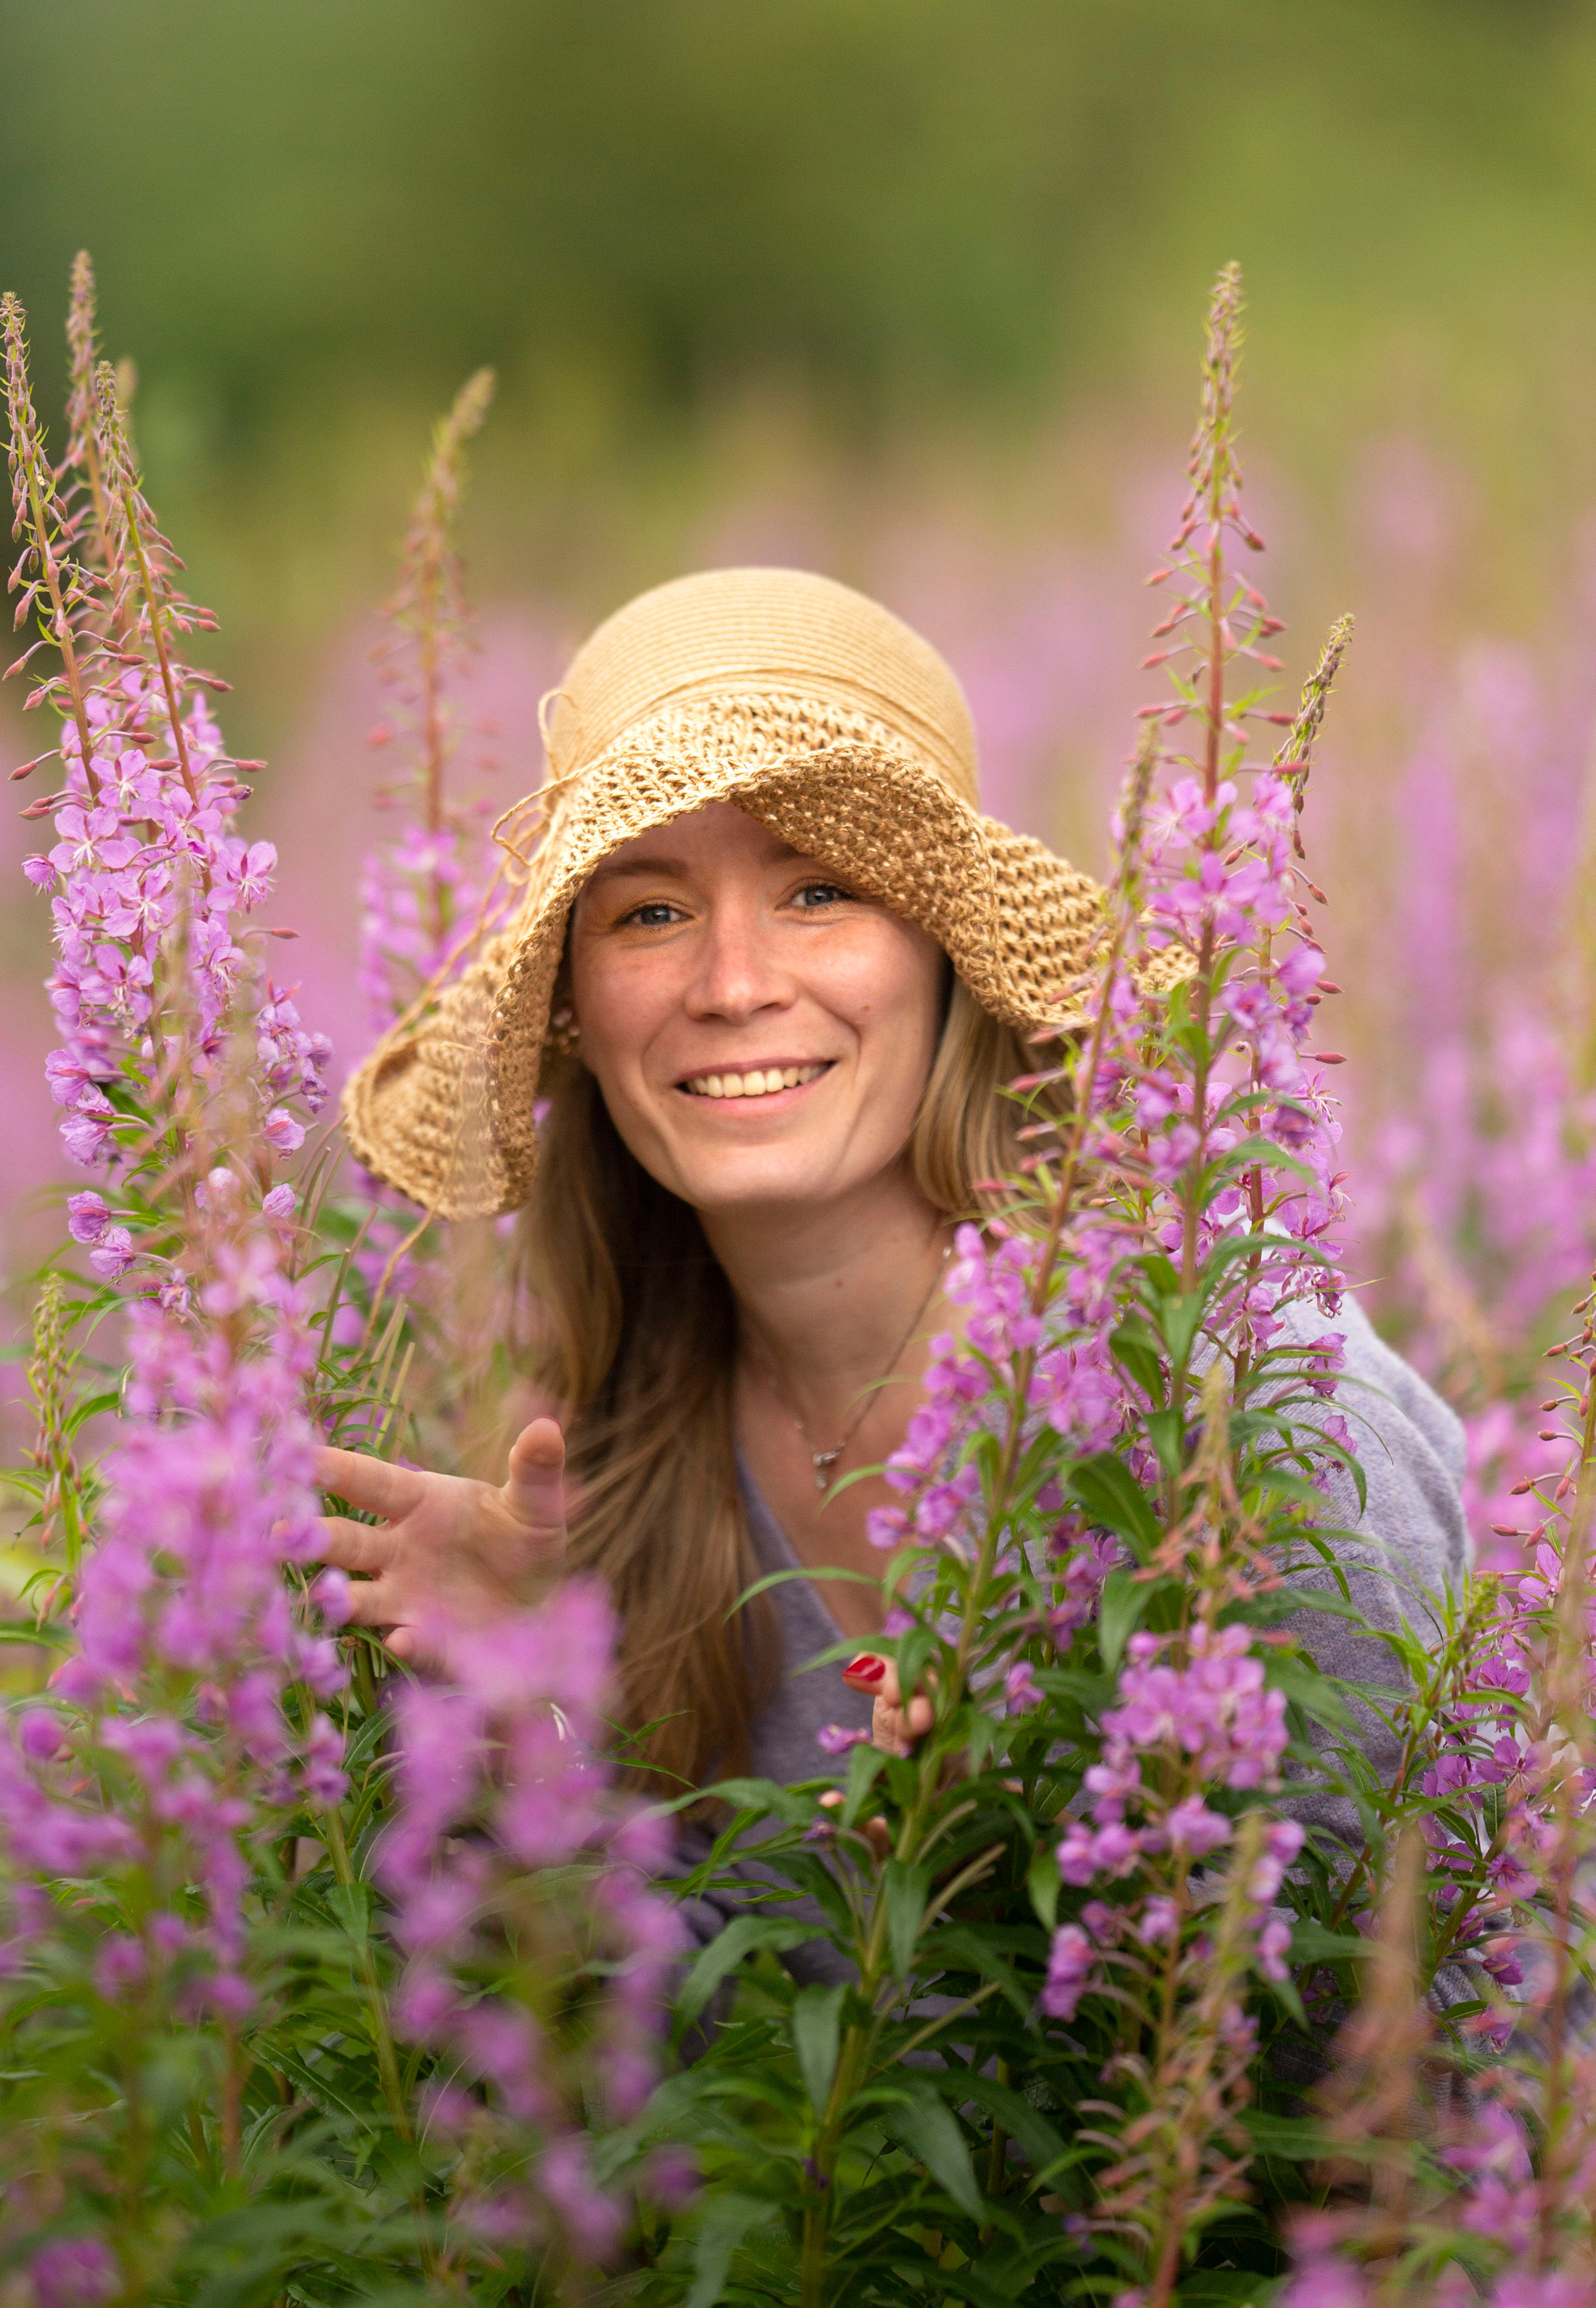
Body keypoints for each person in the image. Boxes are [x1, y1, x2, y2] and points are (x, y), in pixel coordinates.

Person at [317, 568, 1473, 1864]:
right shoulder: (618, 1461)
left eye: (820, 891)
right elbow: (702, 2029)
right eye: (651, 912)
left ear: (948, 960)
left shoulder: (1233, 1399)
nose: (736, 984)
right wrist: (545, 1717)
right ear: (577, 1012)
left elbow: (1390, 1971)